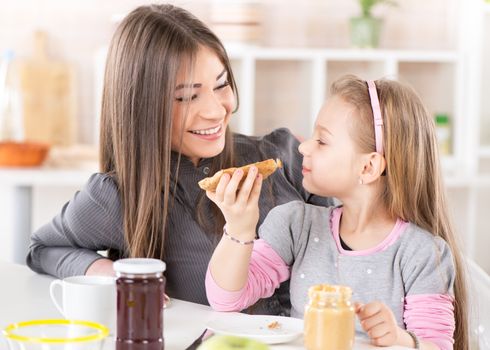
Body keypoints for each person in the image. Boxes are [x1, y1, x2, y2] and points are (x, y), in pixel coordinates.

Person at [25, 4, 332, 315]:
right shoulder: (118, 196)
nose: (215, 110)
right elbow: (43, 249)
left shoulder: (285, 159)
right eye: (186, 96)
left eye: (222, 84)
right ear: (141, 105)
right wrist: (115, 276)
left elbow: (360, 243)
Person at [205, 75, 468, 349]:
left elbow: (437, 345)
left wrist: (400, 339)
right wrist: (239, 228)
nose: (303, 147)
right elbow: (227, 298)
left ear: (367, 167)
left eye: (322, 141)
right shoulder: (296, 225)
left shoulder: (422, 254)